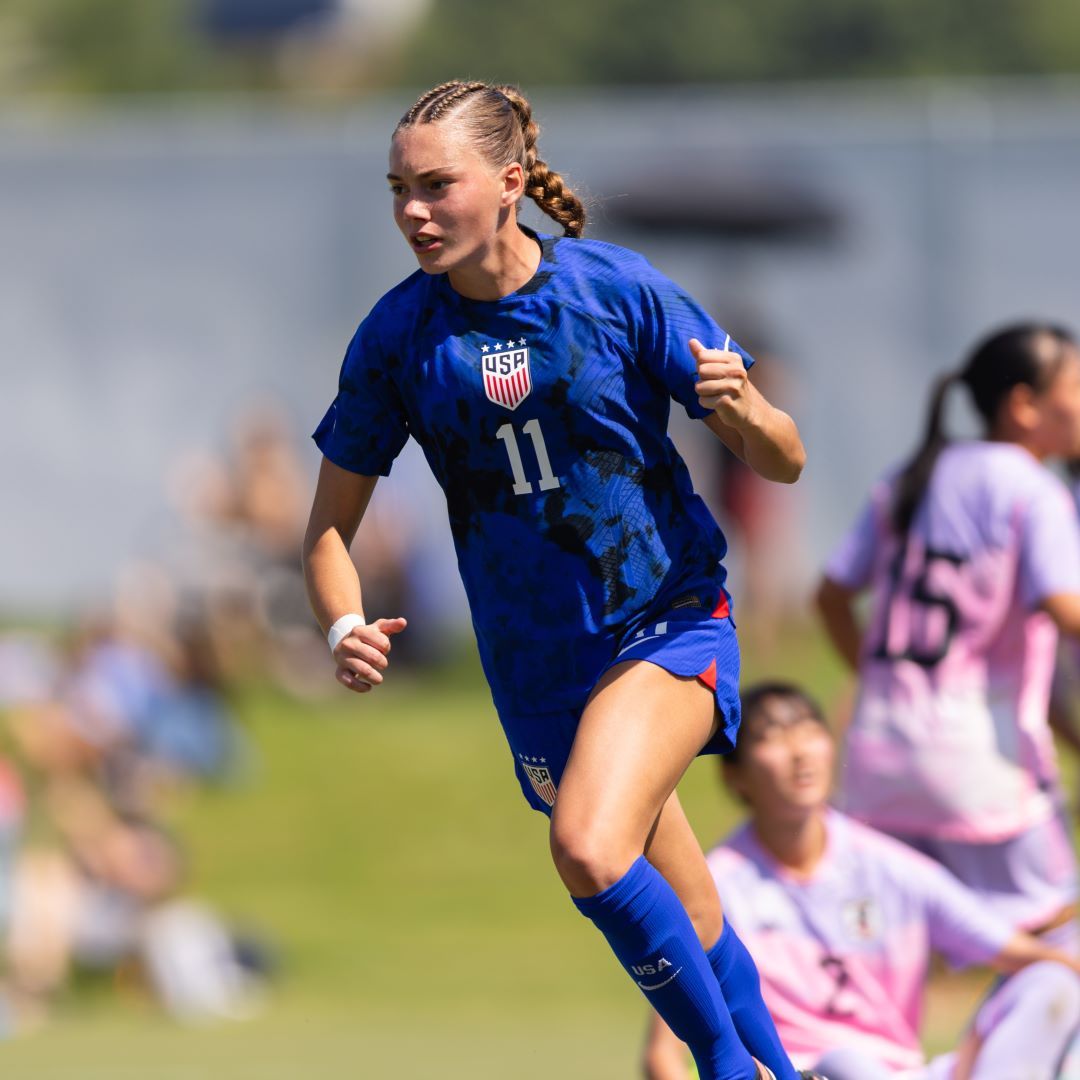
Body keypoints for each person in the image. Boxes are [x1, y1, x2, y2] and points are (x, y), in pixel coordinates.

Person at [301, 81, 809, 1080]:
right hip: (535, 672)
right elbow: (327, 528)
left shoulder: (616, 292)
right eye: (399, 189)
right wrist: (339, 624)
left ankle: (728, 1071)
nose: (414, 210)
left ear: (511, 183)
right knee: (692, 913)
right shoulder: (401, 338)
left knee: (585, 844)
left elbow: (784, 458)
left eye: (437, 185)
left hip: (663, 625)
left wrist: (740, 409)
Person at [644, 683, 1080, 1080]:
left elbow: (1020, 953)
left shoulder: (889, 866)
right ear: (734, 775)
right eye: (771, 736)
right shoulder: (716, 887)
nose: (799, 750)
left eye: (808, 729)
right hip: (801, 1072)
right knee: (844, 1063)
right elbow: (662, 1055)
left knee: (1051, 984)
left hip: (903, 1073)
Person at [815, 324, 1080, 947]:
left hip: (880, 754)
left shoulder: (914, 475)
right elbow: (1067, 614)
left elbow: (828, 598)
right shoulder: (1032, 489)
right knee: (1058, 943)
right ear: (1024, 406)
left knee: (892, 948)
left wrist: (881, 681)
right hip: (980, 764)